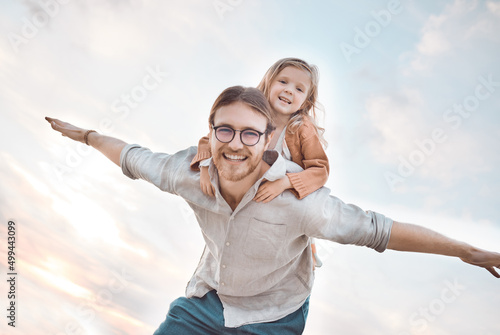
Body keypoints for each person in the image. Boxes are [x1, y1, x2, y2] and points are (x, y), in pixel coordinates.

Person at [45, 86, 500, 335]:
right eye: (226, 131)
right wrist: (85, 135)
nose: (236, 144)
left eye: (250, 134)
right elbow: (130, 154)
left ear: (267, 142)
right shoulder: (187, 172)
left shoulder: (301, 204)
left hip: (278, 317)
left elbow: (381, 231)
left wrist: (466, 251)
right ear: (211, 133)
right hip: (208, 303)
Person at [192, 58, 329, 267]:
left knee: (292, 226)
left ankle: (305, 249)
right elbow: (211, 139)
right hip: (252, 188)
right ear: (269, 83)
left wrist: (285, 183)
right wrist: (204, 167)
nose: (289, 90)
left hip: (284, 190)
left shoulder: (301, 128)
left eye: (299, 89)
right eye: (283, 82)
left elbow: (320, 169)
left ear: (306, 102)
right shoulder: (251, 115)